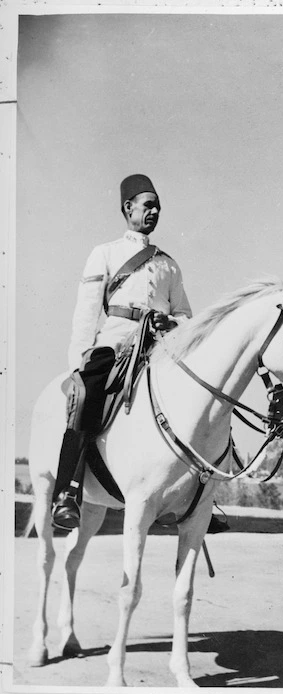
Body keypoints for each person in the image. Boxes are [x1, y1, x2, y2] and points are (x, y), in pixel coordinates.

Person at [52, 174, 196, 530]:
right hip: (114, 343)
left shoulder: (168, 264)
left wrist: (169, 323)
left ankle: (200, 495)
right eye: (147, 205)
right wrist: (79, 361)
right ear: (127, 208)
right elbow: (86, 312)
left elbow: (185, 316)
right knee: (87, 395)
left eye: (157, 205)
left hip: (159, 348)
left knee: (200, 395)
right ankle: (67, 493)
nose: (154, 211)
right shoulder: (106, 253)